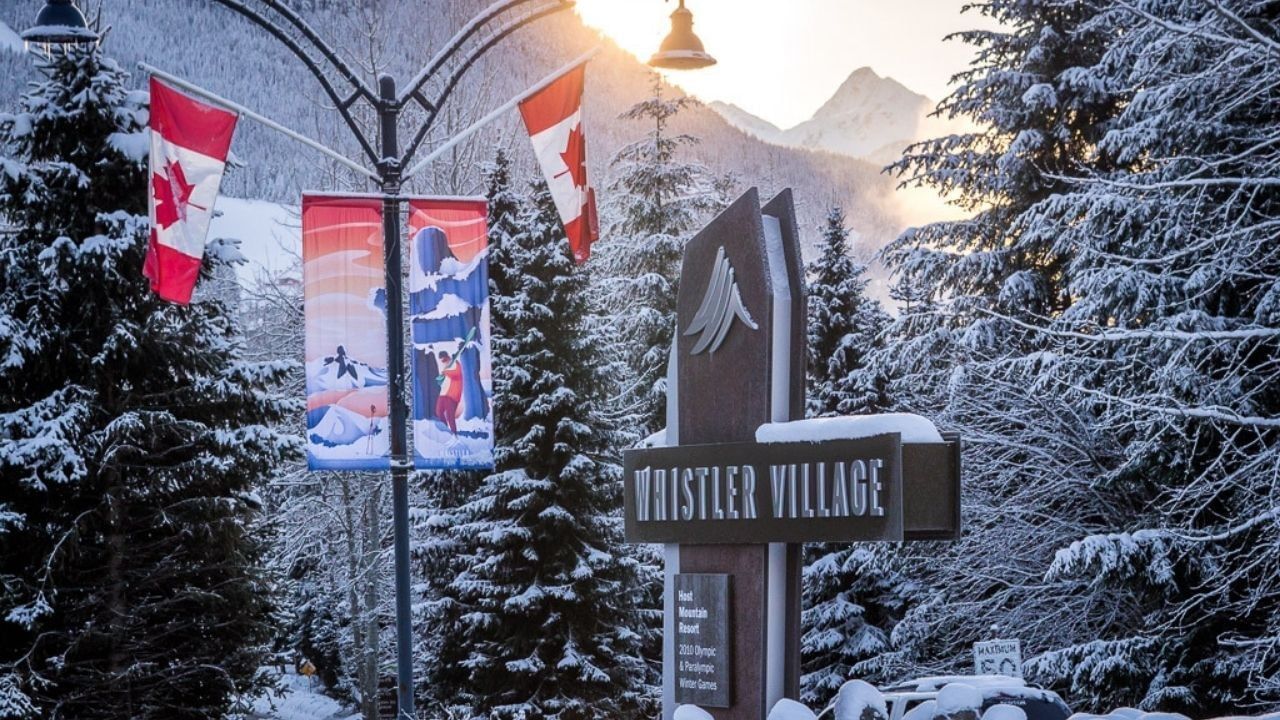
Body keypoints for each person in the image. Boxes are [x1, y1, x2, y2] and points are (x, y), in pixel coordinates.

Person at [435, 350, 463, 436]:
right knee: (439, 411)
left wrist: (446, 372)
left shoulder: (455, 363)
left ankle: (454, 434)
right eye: (441, 360)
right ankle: (447, 431)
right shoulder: (446, 366)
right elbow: (445, 380)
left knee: (450, 416)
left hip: (452, 395)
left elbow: (457, 374)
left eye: (443, 360)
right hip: (443, 393)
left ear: (447, 357)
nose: (443, 362)